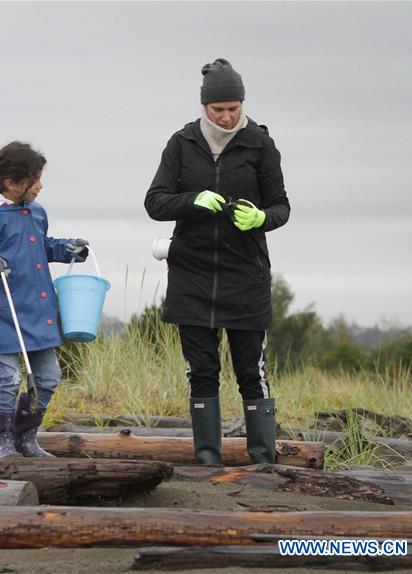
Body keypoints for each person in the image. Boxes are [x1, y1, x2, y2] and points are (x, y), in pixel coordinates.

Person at [144, 58, 290, 465]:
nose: (227, 117)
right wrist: (192, 201)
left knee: (250, 372)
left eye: (234, 108)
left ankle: (263, 461)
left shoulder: (261, 145)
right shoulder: (181, 143)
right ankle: (207, 462)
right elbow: (155, 202)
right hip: (191, 277)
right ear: (204, 107)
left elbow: (281, 207)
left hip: (246, 277)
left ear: (242, 103)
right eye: (218, 110)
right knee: (202, 372)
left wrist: (262, 218)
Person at [0, 141, 89, 459]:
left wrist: (66, 248)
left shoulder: (36, 213)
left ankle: (25, 436)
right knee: (10, 378)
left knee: (49, 377)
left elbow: (41, 246)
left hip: (37, 310)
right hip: (1, 313)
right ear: (12, 184)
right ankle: (1, 440)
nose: (40, 185)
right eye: (35, 180)